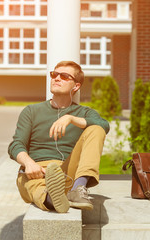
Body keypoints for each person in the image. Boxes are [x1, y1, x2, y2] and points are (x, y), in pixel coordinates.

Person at [8, 61, 110, 213]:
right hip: (37, 171)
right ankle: (52, 199)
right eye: (54, 74)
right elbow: (16, 145)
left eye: (64, 76)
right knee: (34, 186)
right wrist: (29, 163)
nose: (56, 78)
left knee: (96, 128)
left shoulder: (84, 113)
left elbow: (104, 125)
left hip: (68, 172)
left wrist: (71, 118)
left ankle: (77, 189)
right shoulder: (31, 111)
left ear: (76, 86)